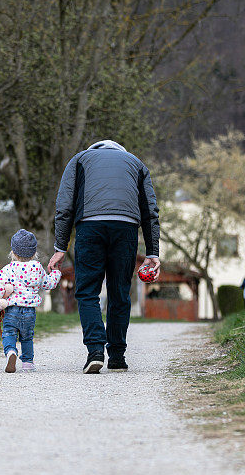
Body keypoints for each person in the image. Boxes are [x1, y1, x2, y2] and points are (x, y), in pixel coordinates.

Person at [48, 140, 161, 374]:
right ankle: (117, 356)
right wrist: (152, 252)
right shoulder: (137, 164)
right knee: (120, 291)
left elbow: (64, 205)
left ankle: (95, 351)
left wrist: (60, 246)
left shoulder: (79, 160)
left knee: (88, 290)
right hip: (126, 228)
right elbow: (150, 211)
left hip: (90, 226)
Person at [0, 229, 61, 373]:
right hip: (29, 312)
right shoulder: (37, 268)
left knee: (8, 333)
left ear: (13, 252)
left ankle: (11, 352)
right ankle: (27, 363)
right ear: (34, 253)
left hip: (12, 309)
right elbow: (48, 284)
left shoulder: (8, 269)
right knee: (27, 337)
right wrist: (56, 273)